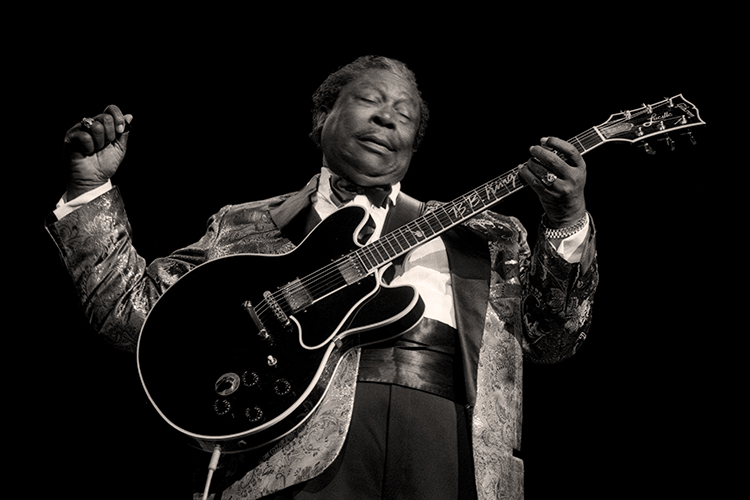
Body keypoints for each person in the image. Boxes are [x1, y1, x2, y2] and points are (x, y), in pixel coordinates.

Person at [47, 55, 598, 499]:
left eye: (405, 116)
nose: (388, 118)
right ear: (321, 118)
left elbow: (552, 341)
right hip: (290, 469)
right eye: (370, 101)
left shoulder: (487, 236)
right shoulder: (248, 224)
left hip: (453, 464)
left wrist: (567, 222)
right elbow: (132, 317)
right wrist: (89, 191)